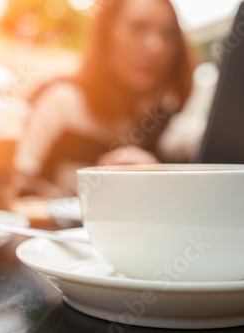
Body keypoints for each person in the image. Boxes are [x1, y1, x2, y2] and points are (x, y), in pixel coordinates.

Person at [16, 0, 193, 197]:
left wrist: (159, 179)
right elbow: (12, 184)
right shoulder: (62, 101)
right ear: (105, 34)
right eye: (137, 28)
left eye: (167, 34)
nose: (155, 46)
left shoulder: (162, 123)